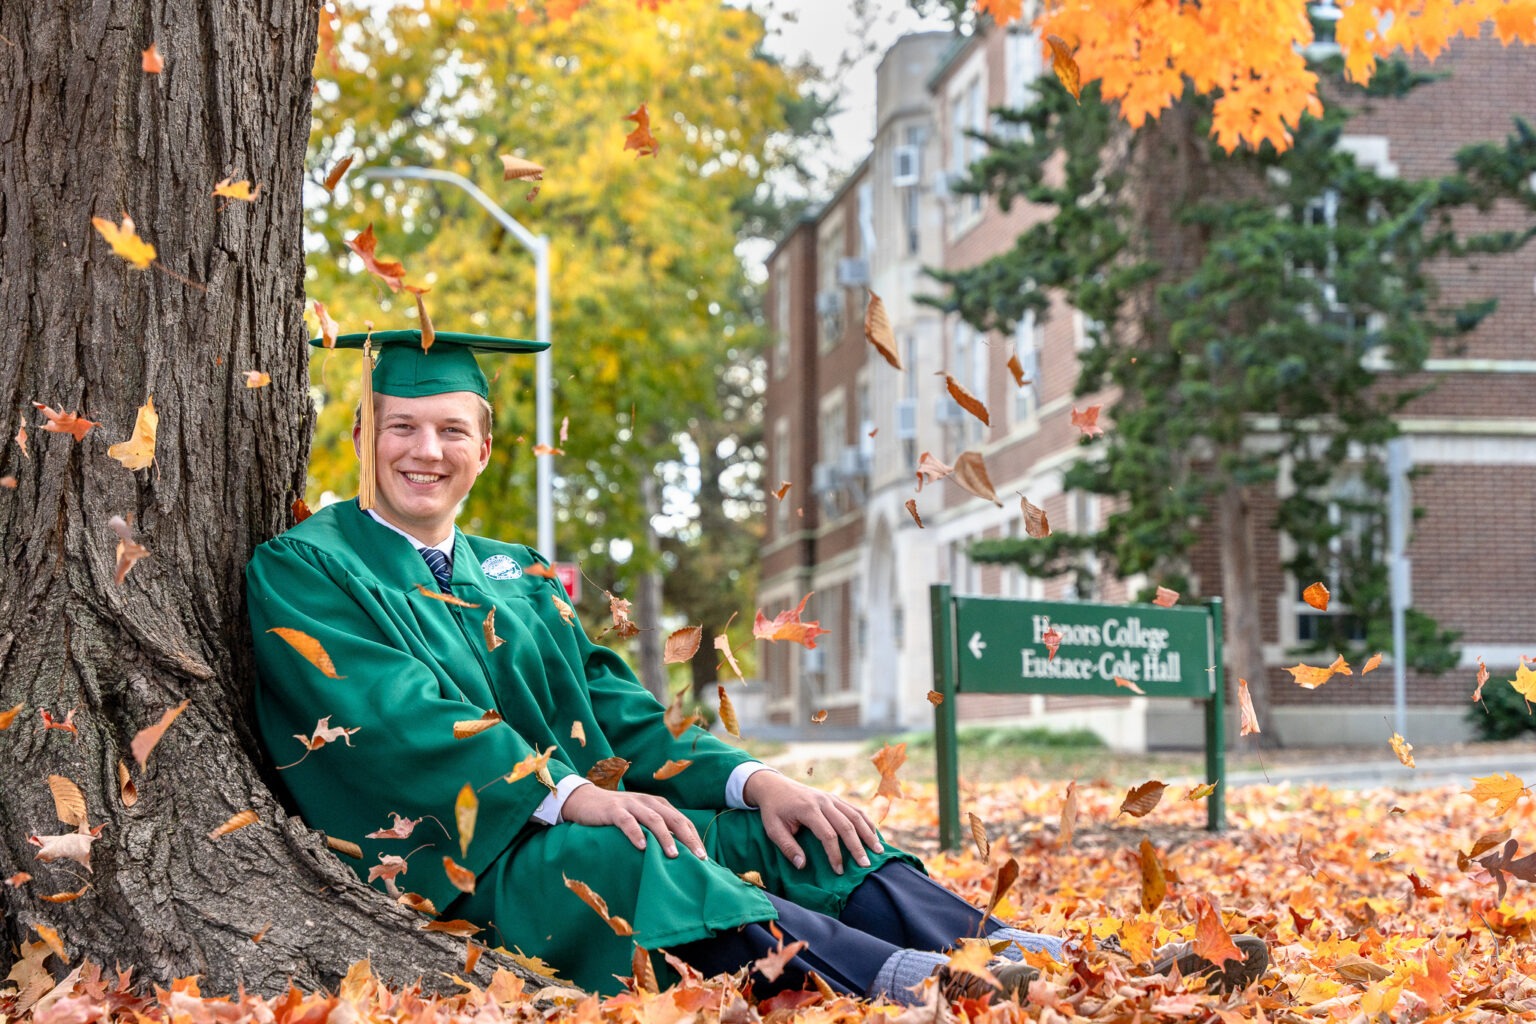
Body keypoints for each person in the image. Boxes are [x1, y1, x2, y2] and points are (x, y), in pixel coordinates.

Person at [246, 330, 1267, 1003]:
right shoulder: (309, 567)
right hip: (465, 857)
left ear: (483, 445)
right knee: (643, 860)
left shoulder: (512, 570)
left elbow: (628, 720)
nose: (425, 449)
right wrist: (566, 795)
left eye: (449, 430)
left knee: (803, 832)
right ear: (361, 434)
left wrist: (755, 778)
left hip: (567, 819)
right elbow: (395, 721)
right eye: (402, 428)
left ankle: (1017, 958)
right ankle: (910, 988)